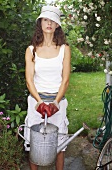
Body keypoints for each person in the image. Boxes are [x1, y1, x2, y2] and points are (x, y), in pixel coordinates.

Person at [24, 5, 71, 170]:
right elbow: (29, 80)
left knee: (59, 145)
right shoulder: (31, 50)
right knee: (33, 144)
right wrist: (39, 102)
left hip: (58, 103)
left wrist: (56, 103)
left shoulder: (65, 49)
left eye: (53, 20)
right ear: (40, 23)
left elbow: (65, 80)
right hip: (36, 103)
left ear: (57, 25)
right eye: (45, 19)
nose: (49, 23)